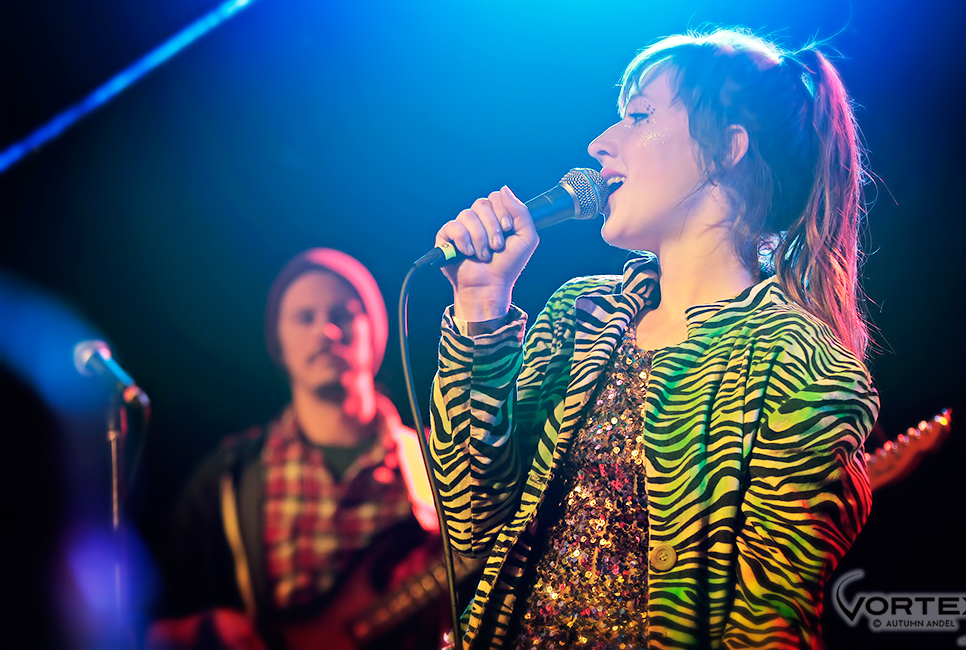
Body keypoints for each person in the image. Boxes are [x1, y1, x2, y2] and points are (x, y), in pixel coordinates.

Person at [428, 28, 879, 649]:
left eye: (638, 116)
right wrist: (480, 306)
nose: (598, 144)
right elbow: (473, 531)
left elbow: (766, 630)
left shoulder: (800, 366)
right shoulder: (581, 312)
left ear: (727, 148)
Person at [147, 248, 441, 650]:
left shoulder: (435, 460)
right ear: (277, 343)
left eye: (343, 314)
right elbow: (146, 618)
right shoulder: (227, 479)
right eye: (305, 317)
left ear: (377, 331)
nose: (327, 331)